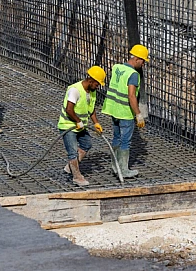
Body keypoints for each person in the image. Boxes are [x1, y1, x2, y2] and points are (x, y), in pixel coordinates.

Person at [102, 44, 149, 178]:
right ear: (137, 59)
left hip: (113, 109)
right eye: (143, 61)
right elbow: (131, 95)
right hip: (125, 112)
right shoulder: (133, 74)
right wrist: (138, 114)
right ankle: (123, 170)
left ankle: (115, 167)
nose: (143, 64)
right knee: (125, 141)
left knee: (116, 137)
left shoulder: (117, 67)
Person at [58, 66, 106, 187]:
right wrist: (78, 121)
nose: (98, 86)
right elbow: (69, 109)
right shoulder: (75, 90)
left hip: (80, 126)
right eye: (97, 84)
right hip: (68, 125)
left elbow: (91, 109)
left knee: (87, 144)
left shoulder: (92, 92)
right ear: (90, 80)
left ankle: (70, 167)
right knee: (72, 152)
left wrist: (96, 123)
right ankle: (77, 177)